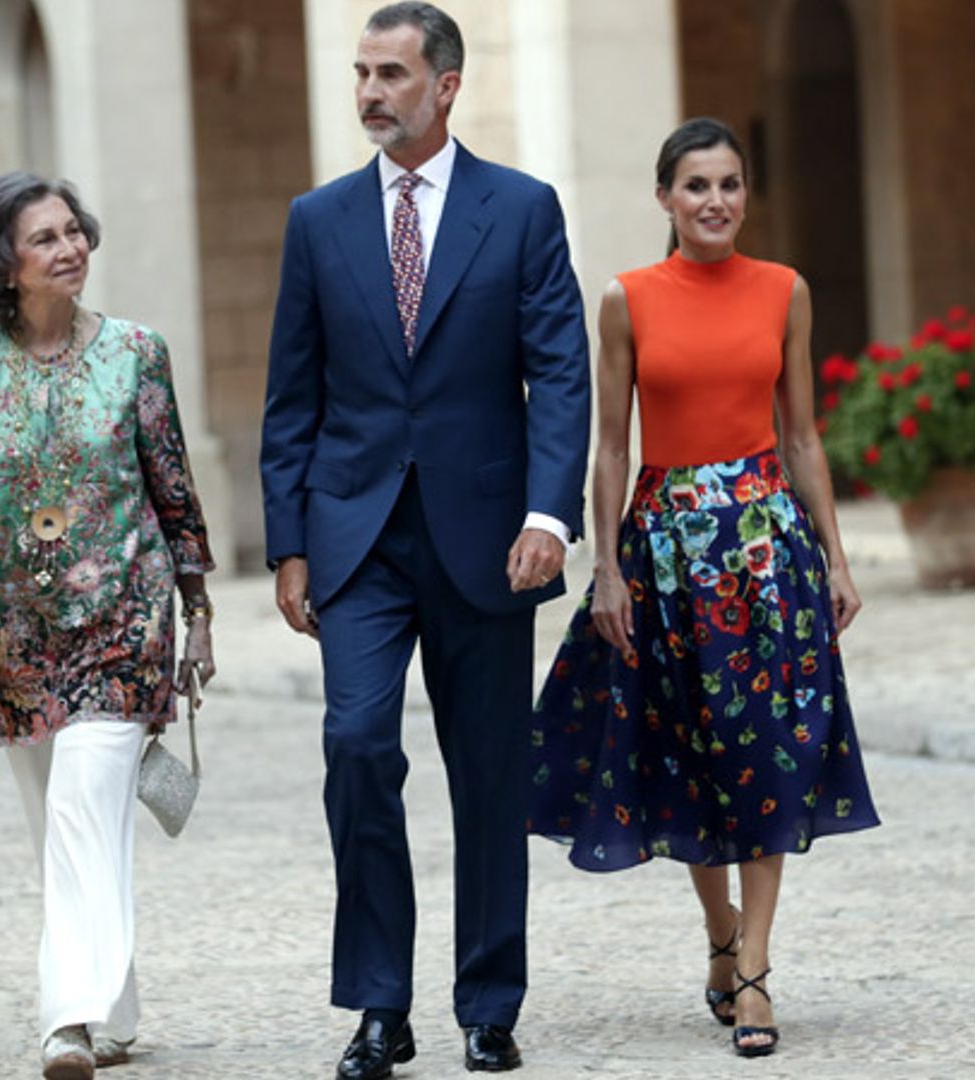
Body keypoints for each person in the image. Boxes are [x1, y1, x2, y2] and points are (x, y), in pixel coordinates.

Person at [259, 4, 590, 1076]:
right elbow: (291, 399)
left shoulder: (524, 210)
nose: (370, 91)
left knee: (489, 771)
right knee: (357, 745)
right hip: (356, 538)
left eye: (392, 73)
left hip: (489, 537)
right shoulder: (318, 221)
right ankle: (378, 1006)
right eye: (361, 72)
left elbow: (560, 375)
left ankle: (489, 1003)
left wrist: (549, 515)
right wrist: (289, 544)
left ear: (446, 85)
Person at [527, 118, 881, 1059]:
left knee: (769, 755)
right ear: (665, 198)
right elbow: (609, 446)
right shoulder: (628, 300)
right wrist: (604, 565)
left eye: (729, 184)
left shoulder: (785, 292)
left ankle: (756, 971)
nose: (716, 201)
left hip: (770, 554)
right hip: (668, 556)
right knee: (692, 756)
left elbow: (801, 435)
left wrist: (837, 558)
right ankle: (720, 931)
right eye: (696, 186)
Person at [0, 172, 216, 1079]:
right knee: (63, 822)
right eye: (45, 238)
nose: (69, 248)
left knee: (84, 801)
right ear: (4, 264)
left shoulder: (136, 353)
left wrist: (195, 616)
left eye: (75, 230)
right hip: (11, 641)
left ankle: (67, 1021)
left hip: (122, 625)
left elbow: (174, 492)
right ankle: (114, 1010)